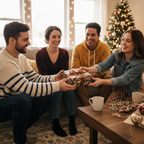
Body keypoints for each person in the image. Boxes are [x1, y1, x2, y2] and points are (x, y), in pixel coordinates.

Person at [0, 22, 76, 144]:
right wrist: (58, 85)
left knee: (49, 98)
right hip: (2, 103)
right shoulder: (4, 62)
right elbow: (27, 88)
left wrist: (54, 78)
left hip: (13, 98)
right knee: (23, 99)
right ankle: (20, 140)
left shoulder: (20, 57)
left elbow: (35, 77)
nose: (29, 43)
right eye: (25, 40)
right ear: (12, 40)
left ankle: (21, 130)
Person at [79, 29, 144, 104]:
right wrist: (89, 69)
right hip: (118, 89)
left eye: (128, 41)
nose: (123, 43)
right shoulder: (117, 54)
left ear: (136, 44)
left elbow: (125, 79)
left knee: (126, 113)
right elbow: (104, 65)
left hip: (134, 92)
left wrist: (102, 81)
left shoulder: (140, 63)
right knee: (107, 110)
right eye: (123, 40)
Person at [36, 26, 77, 137]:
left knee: (69, 87)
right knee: (57, 88)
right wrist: (57, 82)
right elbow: (43, 75)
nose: (57, 39)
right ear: (47, 38)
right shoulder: (40, 54)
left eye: (59, 36)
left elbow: (65, 73)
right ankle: (55, 123)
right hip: (47, 82)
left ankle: (72, 121)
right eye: (54, 37)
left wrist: (65, 81)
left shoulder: (64, 53)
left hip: (61, 80)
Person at [72, 22, 112, 105]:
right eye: (87, 34)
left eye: (93, 35)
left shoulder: (105, 48)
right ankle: (88, 107)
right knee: (77, 82)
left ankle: (101, 104)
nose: (89, 37)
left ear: (98, 36)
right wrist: (87, 75)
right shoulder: (78, 48)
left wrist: (96, 75)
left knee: (109, 77)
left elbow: (106, 68)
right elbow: (75, 68)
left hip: (99, 76)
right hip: (83, 77)